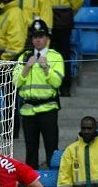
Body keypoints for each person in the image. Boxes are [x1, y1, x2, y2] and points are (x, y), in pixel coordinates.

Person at [14, 19, 64, 170]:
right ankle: (31, 185)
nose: (38, 40)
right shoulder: (24, 57)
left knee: (51, 148)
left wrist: (46, 68)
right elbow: (15, 82)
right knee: (31, 150)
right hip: (28, 109)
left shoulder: (55, 56)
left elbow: (57, 83)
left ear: (47, 38)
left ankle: (54, 180)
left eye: (41, 36)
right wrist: (26, 68)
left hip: (48, 108)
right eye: (35, 37)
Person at [33, 0, 83, 97]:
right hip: (43, 21)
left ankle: (65, 85)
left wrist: (68, 13)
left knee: (64, 54)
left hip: (62, 22)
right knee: (43, 53)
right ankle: (46, 84)